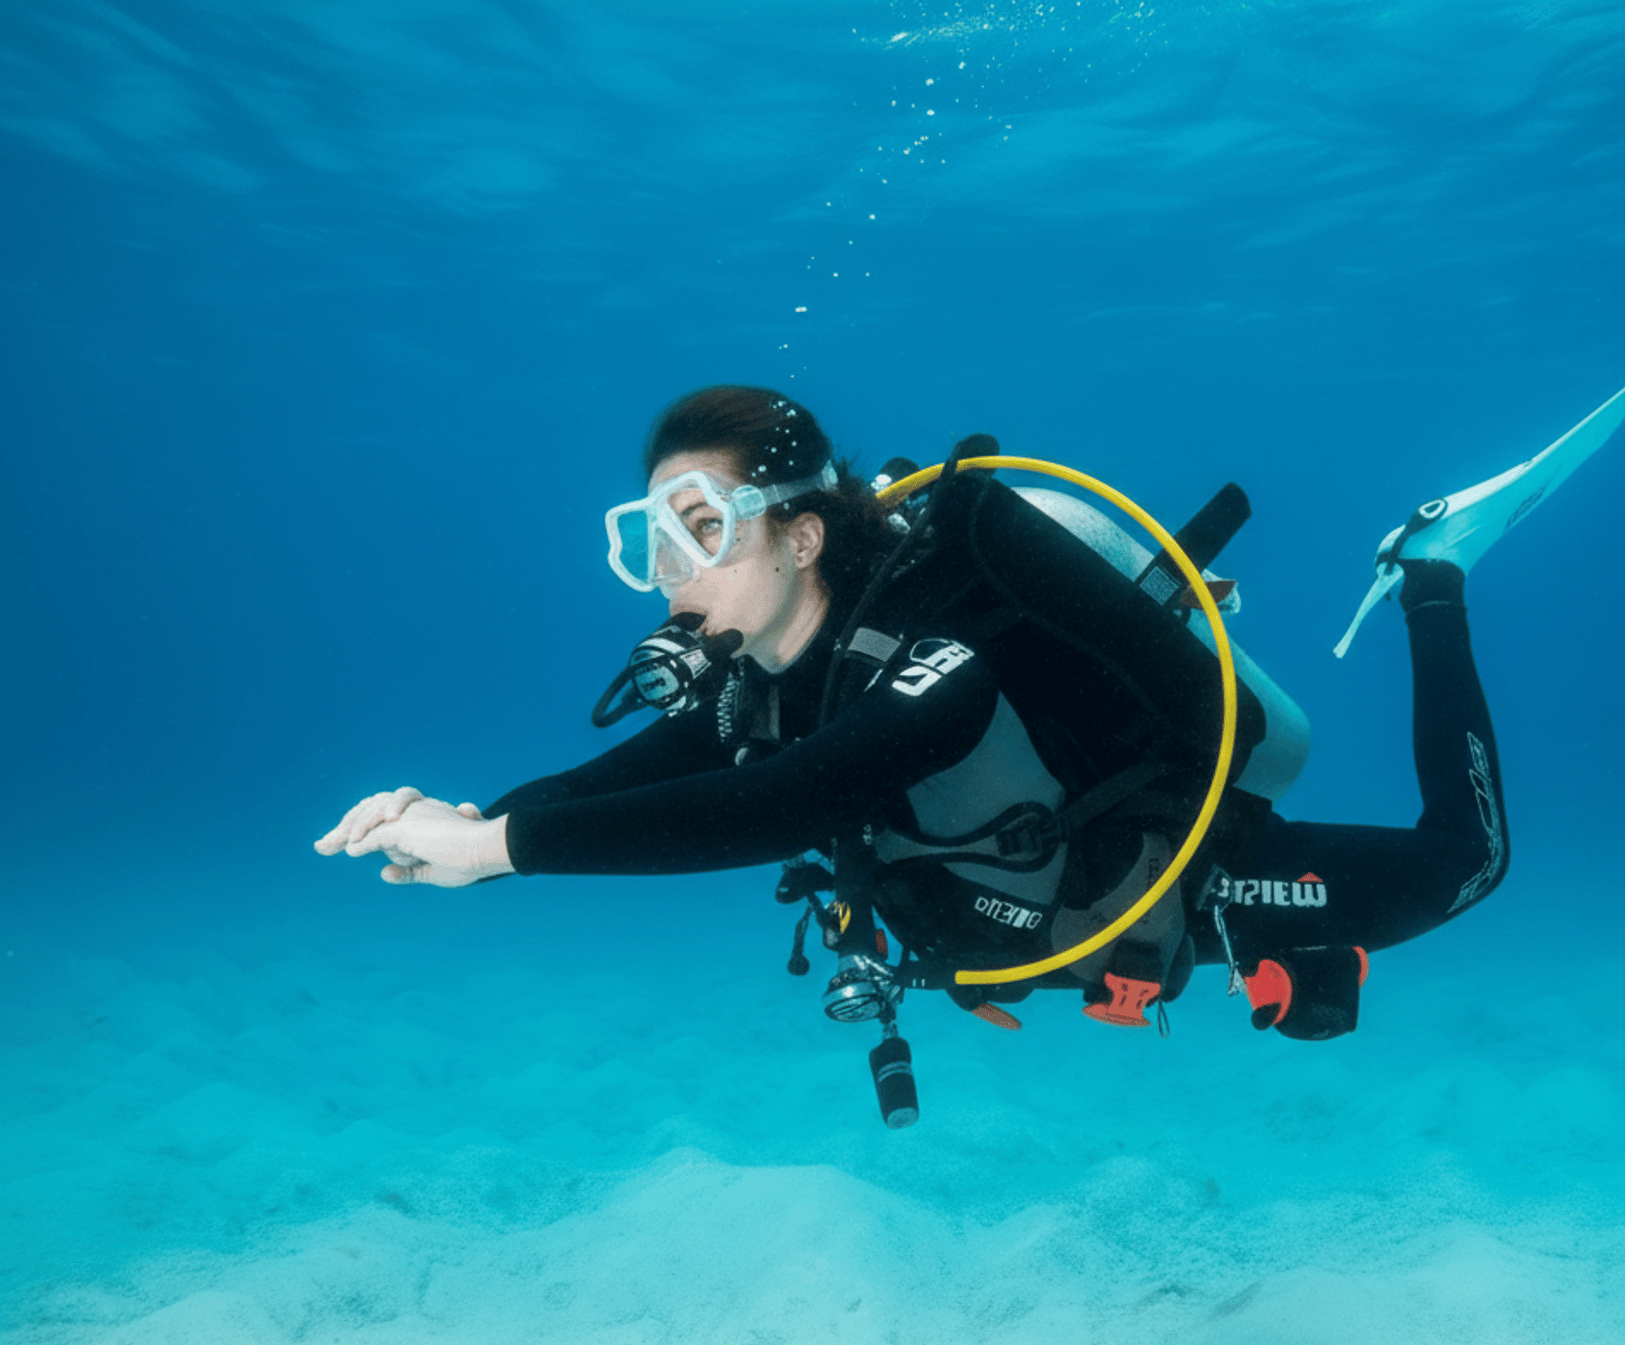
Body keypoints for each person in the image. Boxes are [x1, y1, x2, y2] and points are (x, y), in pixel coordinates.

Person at [316, 385, 1510, 1041]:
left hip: (1169, 870)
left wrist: (496, 849)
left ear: (800, 533)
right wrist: (477, 833)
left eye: (702, 526)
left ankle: (1433, 572)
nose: (674, 569)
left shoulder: (943, 649)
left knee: (1466, 864)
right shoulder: (763, 683)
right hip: (1052, 924)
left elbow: (783, 802)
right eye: (650, 539)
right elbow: (625, 779)